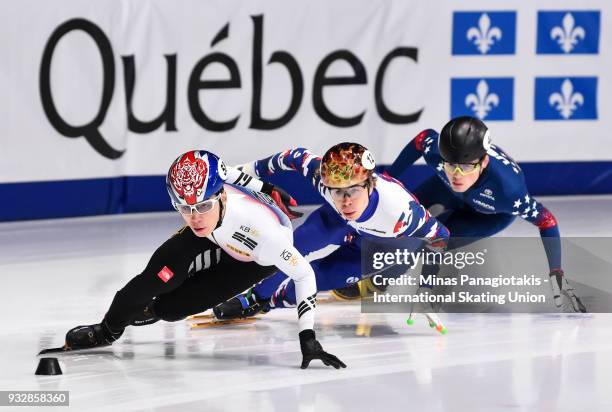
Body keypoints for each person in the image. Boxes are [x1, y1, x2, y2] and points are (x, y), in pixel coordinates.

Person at [62, 150, 346, 369]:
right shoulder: (206, 178)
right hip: (215, 235)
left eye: (203, 206)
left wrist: (307, 337)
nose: (194, 217)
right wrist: (266, 187)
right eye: (184, 208)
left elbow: (304, 275)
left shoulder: (268, 237)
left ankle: (156, 309)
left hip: (252, 258)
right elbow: (232, 172)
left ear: (221, 196)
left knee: (170, 309)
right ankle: (108, 331)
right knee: (153, 280)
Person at [214, 143, 450, 332]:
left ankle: (273, 301)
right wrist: (237, 173)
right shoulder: (323, 179)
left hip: (385, 241)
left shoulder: (400, 211)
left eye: (353, 190)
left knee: (321, 278)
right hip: (338, 220)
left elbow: (440, 236)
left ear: (370, 184)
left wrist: (426, 287)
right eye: (337, 191)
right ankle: (256, 297)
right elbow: (293, 156)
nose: (346, 200)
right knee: (296, 246)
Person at [382, 116, 586, 312]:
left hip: (489, 214)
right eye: (450, 165)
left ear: (484, 162)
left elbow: (547, 221)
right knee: (400, 217)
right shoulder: (438, 154)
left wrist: (556, 272)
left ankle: (387, 282)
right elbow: (422, 138)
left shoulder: (508, 191)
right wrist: (385, 179)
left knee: (432, 240)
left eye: (466, 166)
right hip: (446, 190)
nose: (456, 174)